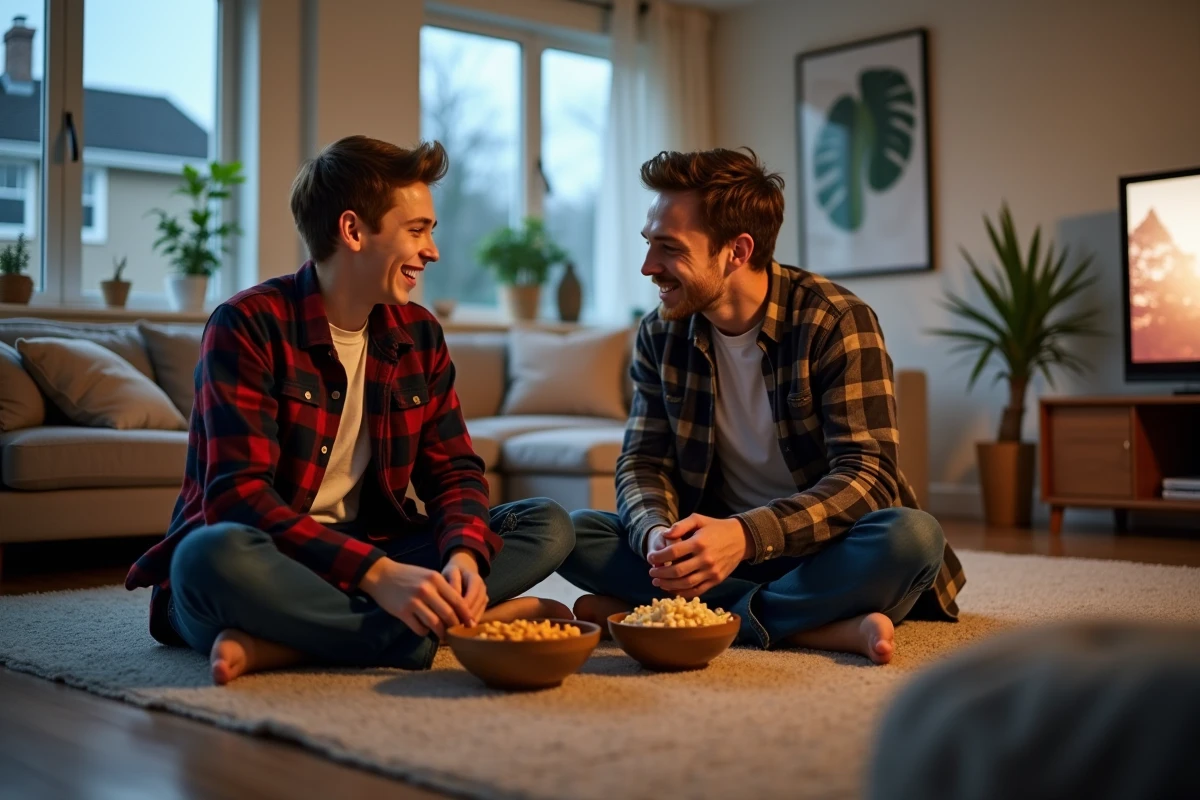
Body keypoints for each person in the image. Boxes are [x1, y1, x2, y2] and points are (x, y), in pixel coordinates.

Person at [126, 136, 574, 684]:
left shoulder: (419, 334)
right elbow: (236, 497)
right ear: (353, 231)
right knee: (205, 558)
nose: (432, 250)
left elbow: (454, 471)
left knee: (546, 524)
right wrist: (377, 575)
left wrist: (461, 559)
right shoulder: (246, 324)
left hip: (373, 548)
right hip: (273, 557)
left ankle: (285, 644)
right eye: (417, 230)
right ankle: (418, 635)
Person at [559, 148, 965, 663]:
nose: (648, 267)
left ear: (737, 250)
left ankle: (689, 615)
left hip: (818, 552)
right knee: (574, 532)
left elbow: (869, 477)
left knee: (912, 537)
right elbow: (643, 462)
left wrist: (747, 537)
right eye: (648, 244)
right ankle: (822, 628)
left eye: (669, 248)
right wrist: (658, 535)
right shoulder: (659, 333)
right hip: (711, 554)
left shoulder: (837, 321)